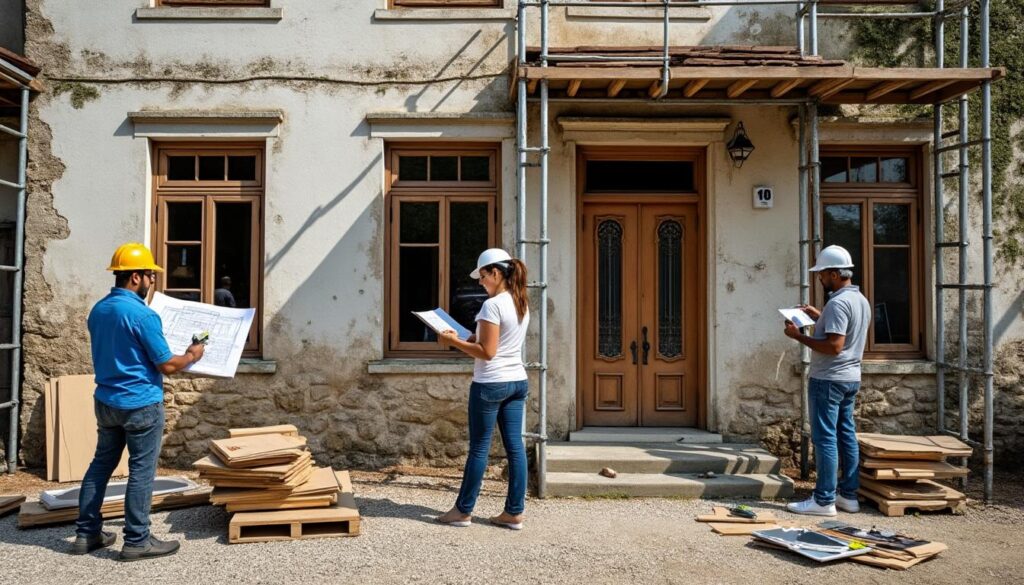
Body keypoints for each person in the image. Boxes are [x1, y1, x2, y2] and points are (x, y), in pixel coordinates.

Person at [74, 243, 206, 561]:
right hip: (140, 404)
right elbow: (167, 365)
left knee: (100, 466)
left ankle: (86, 533)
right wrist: (192, 354)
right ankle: (136, 541)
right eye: (150, 275)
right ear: (136, 277)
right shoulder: (142, 315)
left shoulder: (99, 309)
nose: (152, 282)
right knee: (141, 471)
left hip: (106, 400)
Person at [436, 248, 530, 530]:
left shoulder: (492, 305)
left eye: (483, 276)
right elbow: (497, 342)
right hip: (517, 381)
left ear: (496, 273)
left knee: (479, 448)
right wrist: (469, 337)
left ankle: (463, 511)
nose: (480, 282)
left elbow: (487, 352)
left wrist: (453, 342)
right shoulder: (520, 301)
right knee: (515, 448)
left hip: (490, 383)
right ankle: (514, 512)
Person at [782, 245, 871, 516]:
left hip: (829, 379)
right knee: (846, 436)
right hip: (850, 378)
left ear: (834, 273)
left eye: (822, 274)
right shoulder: (859, 300)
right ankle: (848, 495)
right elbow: (843, 332)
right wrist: (817, 315)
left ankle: (823, 500)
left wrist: (798, 336)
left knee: (825, 439)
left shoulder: (838, 303)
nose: (820, 278)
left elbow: (834, 346)